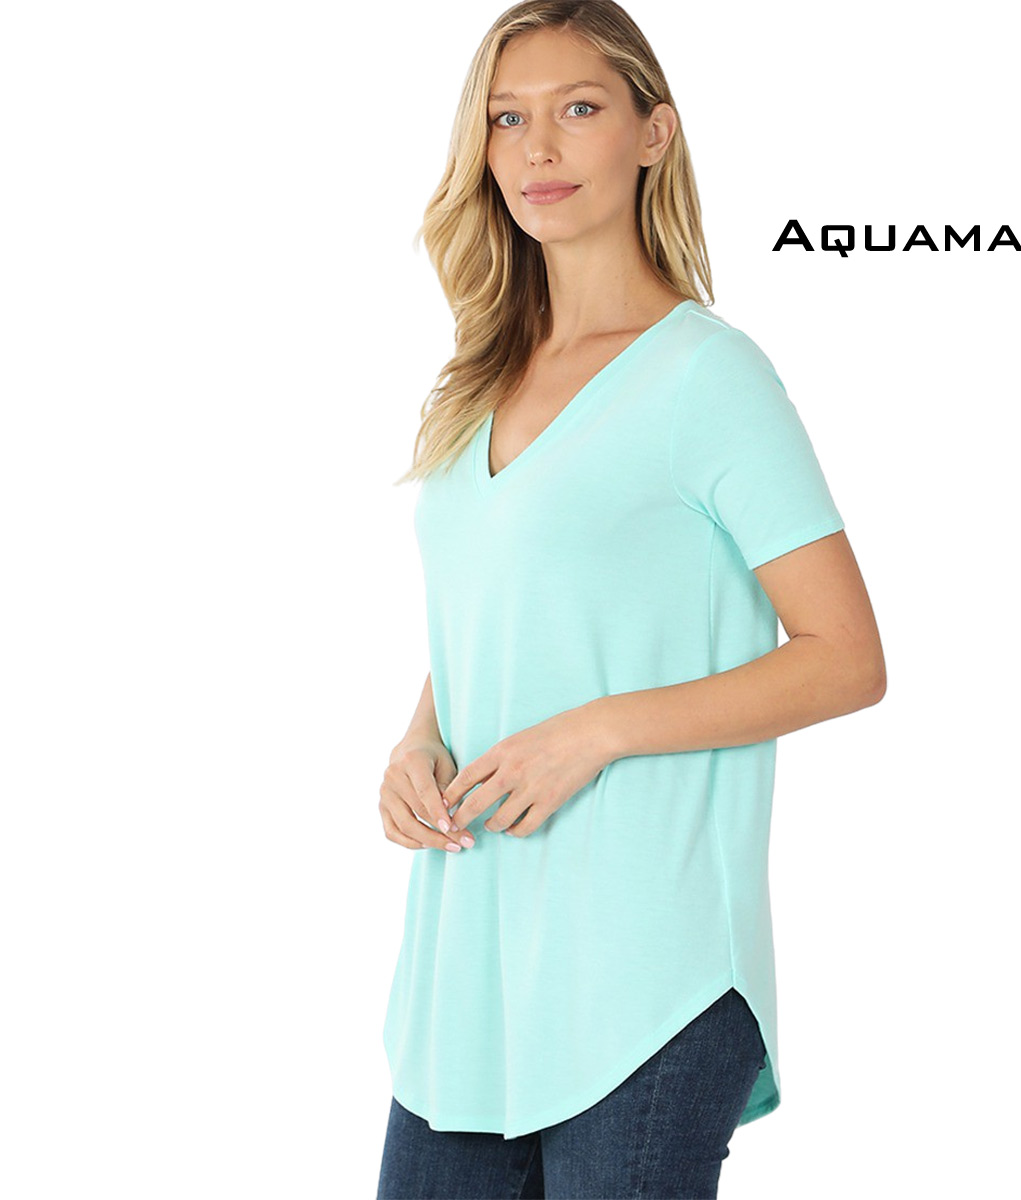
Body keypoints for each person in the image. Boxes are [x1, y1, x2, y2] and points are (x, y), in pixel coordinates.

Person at [375, 2, 886, 1196]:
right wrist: (417, 738)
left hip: (644, 971)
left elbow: (846, 655)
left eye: (579, 108)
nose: (538, 147)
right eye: (509, 119)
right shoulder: (480, 380)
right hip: (471, 974)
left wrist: (597, 733)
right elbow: (511, 608)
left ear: (653, 133)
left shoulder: (709, 376)